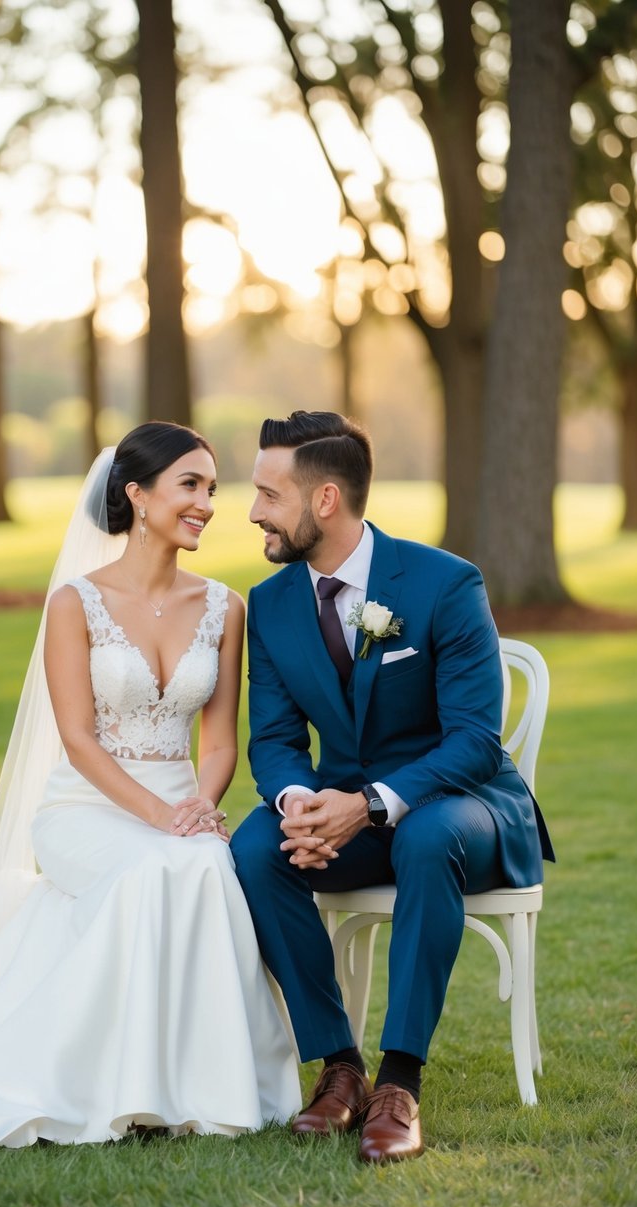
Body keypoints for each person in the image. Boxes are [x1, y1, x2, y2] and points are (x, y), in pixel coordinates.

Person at [0, 422, 300, 1148]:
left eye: (211, 488)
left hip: (185, 800)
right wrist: (156, 815)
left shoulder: (223, 606)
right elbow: (78, 741)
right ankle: (114, 1086)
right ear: (136, 495)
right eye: (190, 485)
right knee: (151, 870)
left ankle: (206, 1090)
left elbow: (217, 741)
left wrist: (197, 808)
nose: (207, 503)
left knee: (208, 865)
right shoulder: (74, 604)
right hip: (87, 807)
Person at [231, 410, 554, 1164]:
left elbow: (475, 740)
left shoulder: (443, 582)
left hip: (465, 812)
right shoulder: (272, 604)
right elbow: (275, 739)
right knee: (254, 847)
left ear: (324, 500)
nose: (251, 512)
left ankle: (399, 1082)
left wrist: (369, 803)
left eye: (267, 495)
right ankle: (338, 1067)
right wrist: (295, 804)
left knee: (427, 832)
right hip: (348, 820)